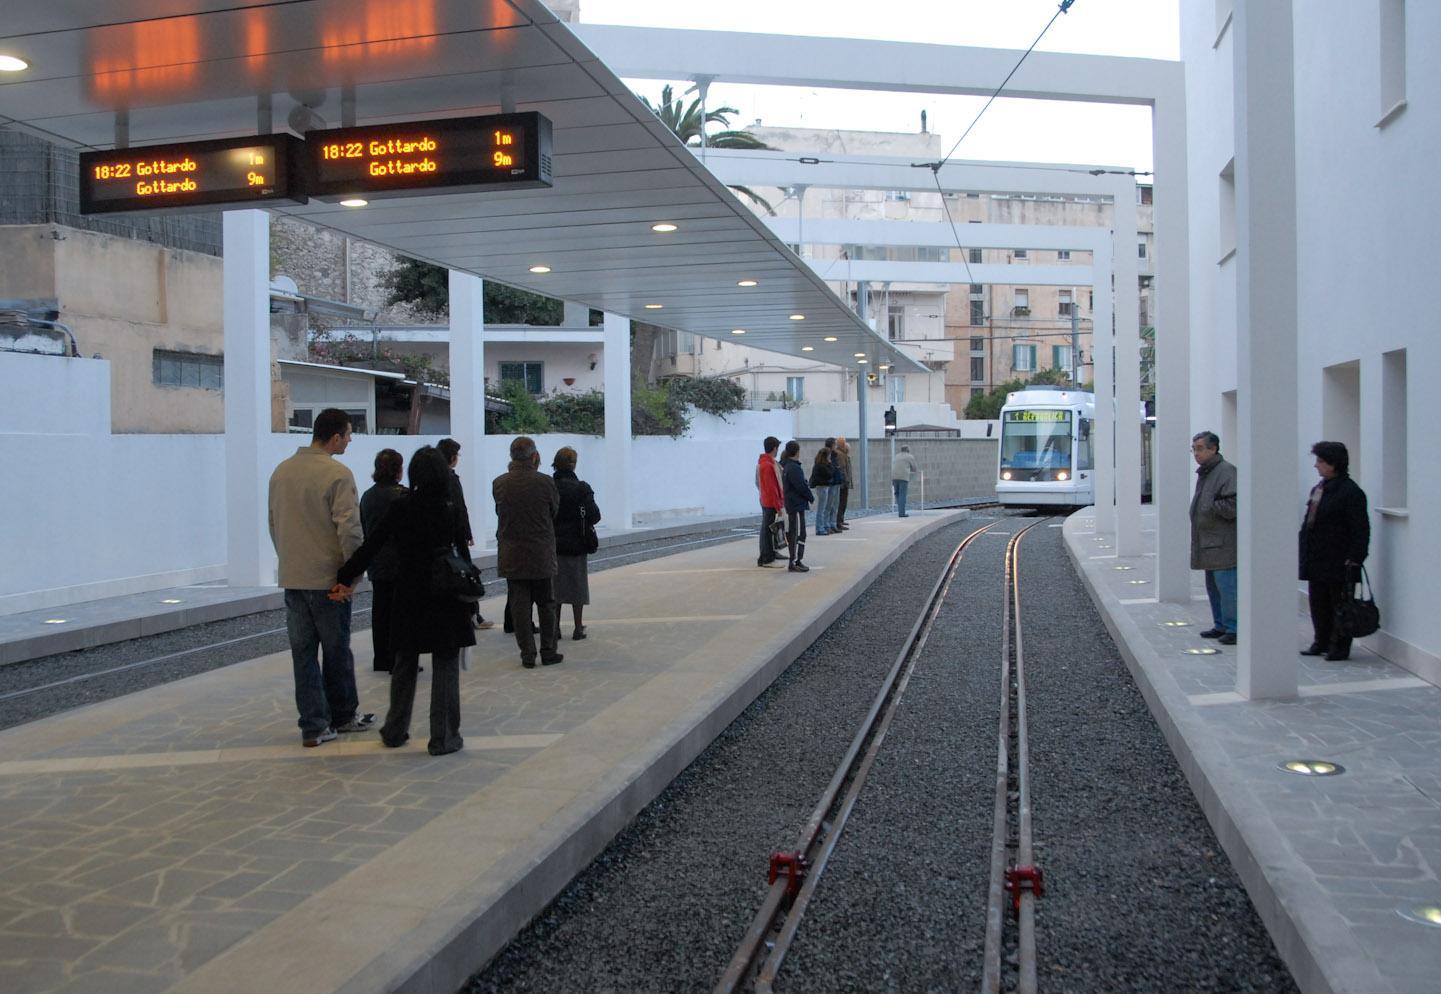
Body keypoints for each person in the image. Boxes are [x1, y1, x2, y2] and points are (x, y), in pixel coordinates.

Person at [333, 447, 473, 755]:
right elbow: (462, 553)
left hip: (409, 590)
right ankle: (444, 737)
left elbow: (372, 544)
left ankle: (395, 729)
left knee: (405, 662)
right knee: (446, 663)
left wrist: (345, 575)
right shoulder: (448, 508)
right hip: (444, 593)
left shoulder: (401, 507)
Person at [267, 408, 374, 748]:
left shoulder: (281, 472)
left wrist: (290, 561)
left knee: (303, 654)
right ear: (335, 437)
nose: (350, 440)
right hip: (329, 580)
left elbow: (273, 523)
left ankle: (313, 726)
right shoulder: (337, 474)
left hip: (293, 576)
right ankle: (342, 715)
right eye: (348, 434)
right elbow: (349, 529)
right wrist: (352, 575)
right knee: (336, 650)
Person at [493, 436, 563, 668]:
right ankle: (548, 651)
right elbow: (554, 511)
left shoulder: (499, 483)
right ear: (534, 456)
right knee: (546, 603)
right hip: (541, 552)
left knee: (519, 606)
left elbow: (500, 512)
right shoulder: (545, 482)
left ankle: (527, 654)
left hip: (512, 553)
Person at [1299, 441, 1370, 661]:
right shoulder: (1320, 489)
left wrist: (1355, 557)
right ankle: (1320, 641)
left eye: (1320, 461)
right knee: (1318, 603)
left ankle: (1339, 646)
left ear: (1334, 463)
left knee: (1339, 604)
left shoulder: (1351, 492)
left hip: (1339, 560)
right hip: (1317, 558)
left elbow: (1360, 529)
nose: (1316, 465)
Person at [438, 437, 494, 631]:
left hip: (442, 537)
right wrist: (467, 533)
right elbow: (460, 508)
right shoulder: (451, 479)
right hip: (455, 536)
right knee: (465, 574)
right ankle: (472, 614)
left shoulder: (433, 478)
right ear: (452, 457)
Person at [1189, 431, 1238, 646]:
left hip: (1223, 543)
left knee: (1227, 588)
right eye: (1194, 449)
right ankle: (1220, 624)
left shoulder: (1226, 471)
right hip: (1208, 542)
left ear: (1213, 449)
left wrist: (1210, 507)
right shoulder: (1207, 472)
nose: (1196, 454)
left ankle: (1233, 627)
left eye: (1200, 449)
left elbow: (1234, 503)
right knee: (1214, 587)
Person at [359, 449, 406, 672]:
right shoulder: (402, 495)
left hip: (376, 561)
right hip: (400, 561)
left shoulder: (367, 496)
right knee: (400, 612)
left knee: (380, 609)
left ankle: (381, 657)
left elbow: (364, 527)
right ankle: (398, 657)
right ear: (398, 469)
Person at [552, 446, 601, 641]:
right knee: (577, 585)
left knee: (554, 587)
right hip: (577, 542)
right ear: (573, 465)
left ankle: (555, 628)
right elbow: (595, 515)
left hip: (552, 544)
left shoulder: (548, 486)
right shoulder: (582, 488)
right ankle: (578, 627)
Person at [781, 440, 814, 572]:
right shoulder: (794, 467)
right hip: (796, 505)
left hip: (792, 504)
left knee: (795, 532)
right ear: (797, 452)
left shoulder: (786, 466)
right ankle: (795, 561)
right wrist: (810, 497)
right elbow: (801, 486)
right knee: (798, 533)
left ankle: (795, 560)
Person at [756, 436, 785, 567]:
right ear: (774, 448)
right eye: (777, 447)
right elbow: (772, 488)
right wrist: (778, 506)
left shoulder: (764, 463)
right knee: (768, 531)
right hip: (770, 502)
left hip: (766, 500)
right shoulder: (768, 465)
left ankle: (768, 555)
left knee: (767, 530)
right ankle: (767, 558)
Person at [809, 443, 835, 535]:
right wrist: (830, 464)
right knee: (822, 509)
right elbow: (830, 473)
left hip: (822, 487)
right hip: (822, 487)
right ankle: (820, 528)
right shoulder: (822, 466)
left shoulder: (819, 464)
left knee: (823, 508)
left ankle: (822, 526)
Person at [891, 445, 919, 517]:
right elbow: (914, 468)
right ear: (907, 450)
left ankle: (900, 508)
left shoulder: (896, 456)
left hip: (894, 477)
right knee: (902, 495)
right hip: (903, 478)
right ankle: (901, 513)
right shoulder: (910, 456)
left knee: (897, 493)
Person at [833, 436, 853, 531]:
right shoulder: (840, 454)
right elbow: (842, 469)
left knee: (842, 502)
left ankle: (840, 520)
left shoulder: (842, 454)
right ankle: (839, 522)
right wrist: (845, 480)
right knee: (841, 502)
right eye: (844, 443)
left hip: (843, 482)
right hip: (842, 483)